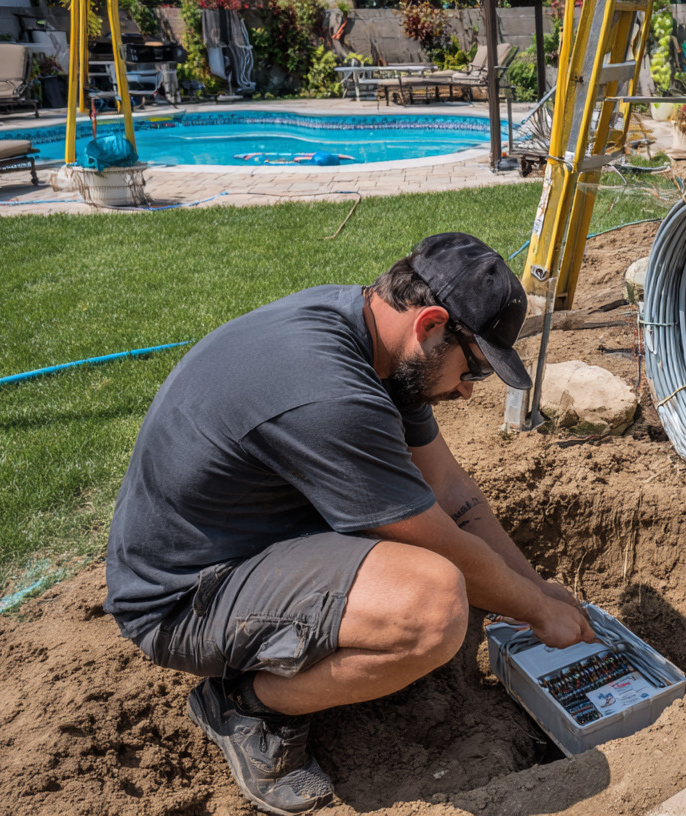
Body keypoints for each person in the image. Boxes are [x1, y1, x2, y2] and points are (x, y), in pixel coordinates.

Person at [104, 233, 596, 816]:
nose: (468, 390)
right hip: (184, 598)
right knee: (432, 609)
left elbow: (454, 494)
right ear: (432, 324)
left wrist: (536, 588)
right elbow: (446, 545)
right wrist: (539, 614)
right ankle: (245, 704)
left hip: (244, 540)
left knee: (444, 575)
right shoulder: (332, 395)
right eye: (477, 369)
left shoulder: (370, 334)